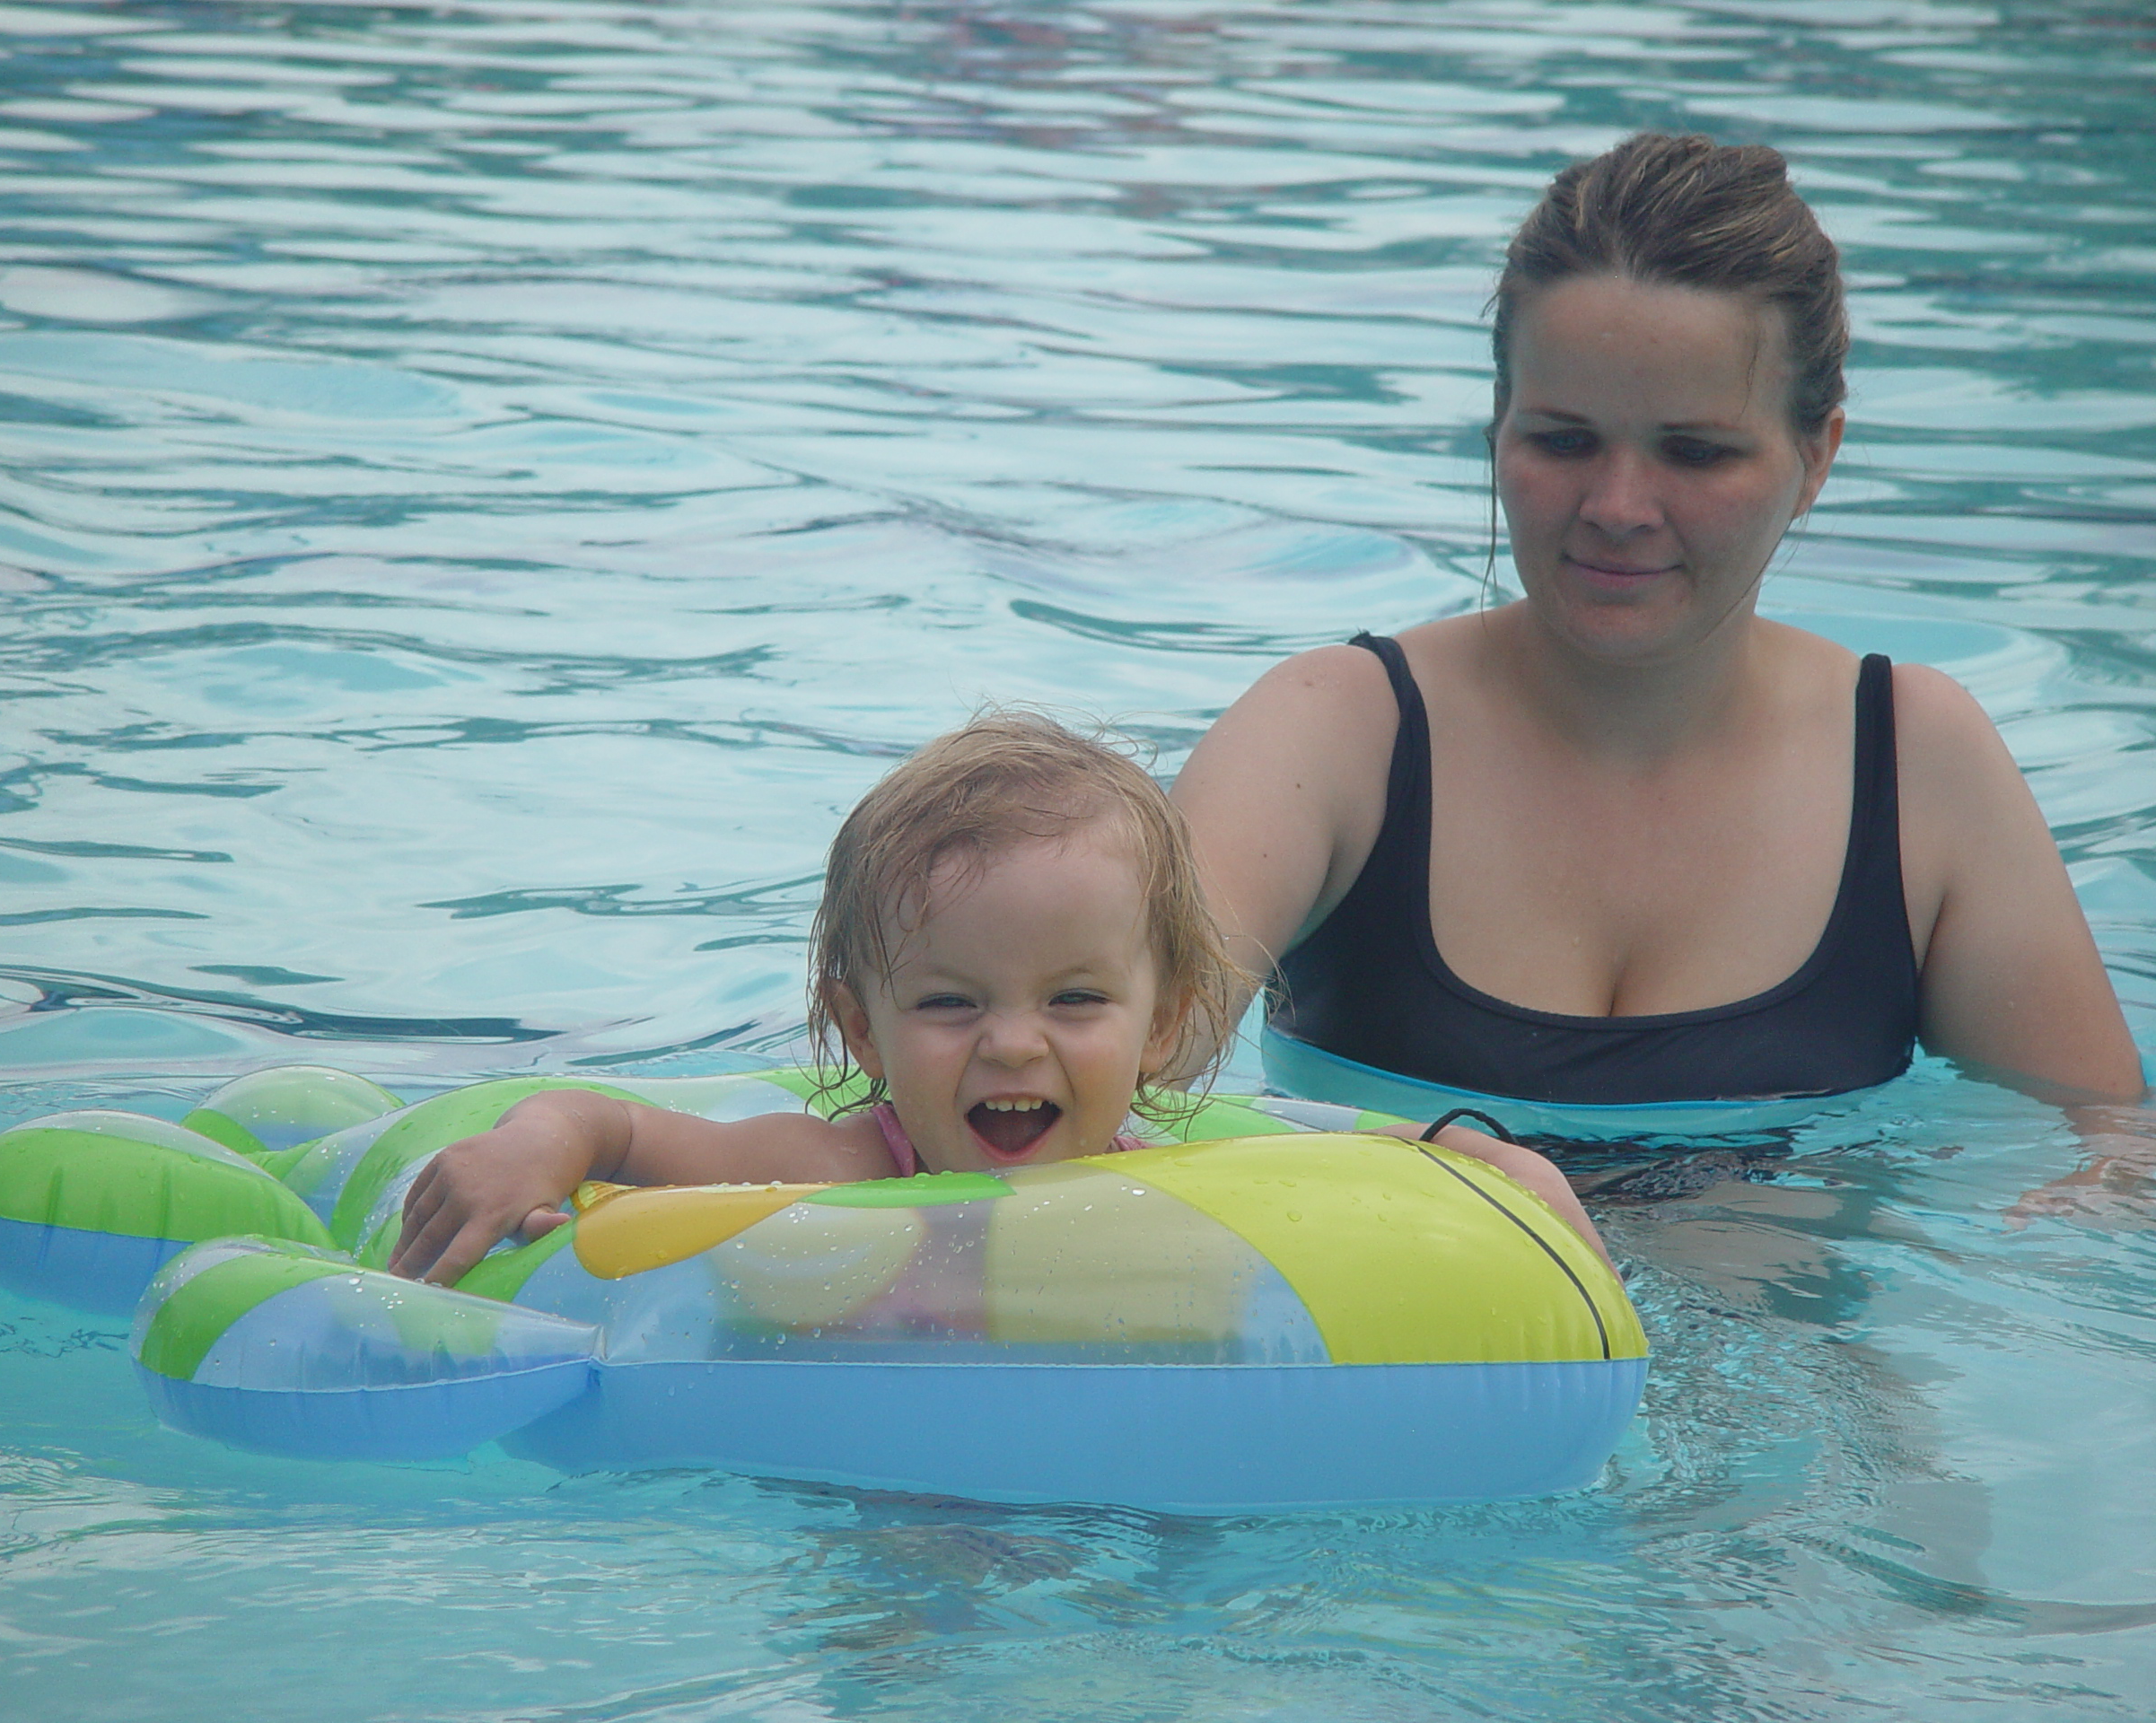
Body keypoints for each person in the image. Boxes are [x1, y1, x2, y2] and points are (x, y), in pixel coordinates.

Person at [1171, 133, 2143, 1132]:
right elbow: (1110, 1056)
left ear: (1817, 456)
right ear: (1496, 426)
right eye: (1563, 440)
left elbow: (2102, 1162)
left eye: (1695, 452)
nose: (1619, 505)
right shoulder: (1333, 736)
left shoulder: (1917, 762)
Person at [390, 712, 1609, 1285]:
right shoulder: (838, 1170)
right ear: (860, 1027)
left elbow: (1375, 1163)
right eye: (950, 1005)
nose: (1012, 1044)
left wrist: (1517, 1172)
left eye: (1075, 999)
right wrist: (531, 1147)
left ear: (1169, 1025)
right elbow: (623, 1131)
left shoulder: (1181, 1166)